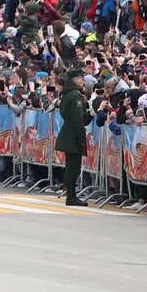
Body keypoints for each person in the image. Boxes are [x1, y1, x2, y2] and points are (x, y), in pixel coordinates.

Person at [57, 68, 88, 205]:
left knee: (70, 165)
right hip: (73, 135)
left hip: (68, 132)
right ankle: (71, 196)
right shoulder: (75, 95)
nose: (83, 81)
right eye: (81, 78)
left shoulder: (67, 94)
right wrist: (81, 138)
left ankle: (71, 195)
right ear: (75, 79)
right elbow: (78, 119)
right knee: (73, 167)